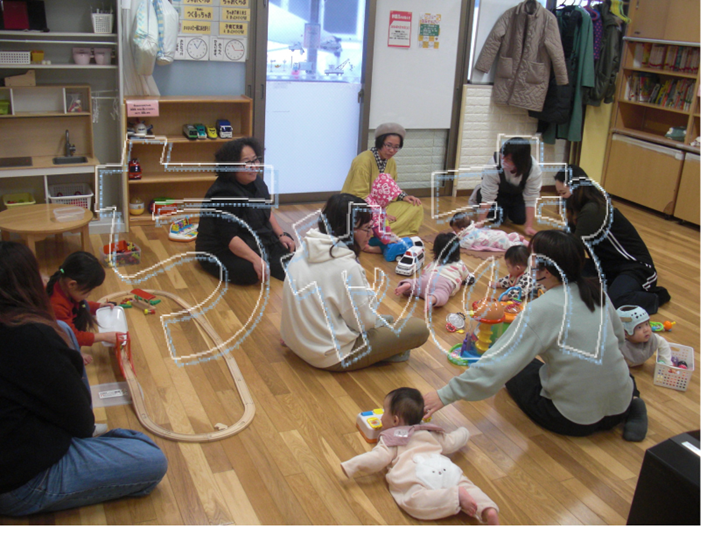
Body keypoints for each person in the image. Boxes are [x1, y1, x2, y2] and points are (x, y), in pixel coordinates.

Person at [423, 230, 648, 442]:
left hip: (572, 420)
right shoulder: (597, 292)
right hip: (621, 405)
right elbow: (618, 340)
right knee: (609, 365)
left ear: (545, 271)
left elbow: (497, 363)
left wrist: (444, 395)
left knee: (517, 371)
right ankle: (635, 402)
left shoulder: (541, 309)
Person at [0, 241, 167, 517]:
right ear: (26, 283)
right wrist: (69, 359)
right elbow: (80, 422)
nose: (44, 278)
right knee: (151, 459)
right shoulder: (32, 337)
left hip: (17, 449)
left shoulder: (19, 326)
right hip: (19, 481)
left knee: (63, 328)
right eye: (36, 273)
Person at [280, 193, 430, 371]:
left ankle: (389, 348)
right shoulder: (347, 267)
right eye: (367, 228)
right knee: (418, 329)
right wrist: (369, 297)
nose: (371, 234)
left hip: (296, 341)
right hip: (329, 356)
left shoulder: (303, 248)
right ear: (347, 230)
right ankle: (391, 352)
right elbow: (363, 324)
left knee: (386, 320)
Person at [341, 387, 499, 524]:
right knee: (466, 484)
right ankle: (487, 509)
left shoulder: (391, 438)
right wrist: (464, 432)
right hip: (445, 468)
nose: (381, 417)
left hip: (418, 477)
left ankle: (455, 496)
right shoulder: (429, 431)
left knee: (413, 501)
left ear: (395, 421)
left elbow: (377, 458)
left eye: (384, 411)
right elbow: (452, 442)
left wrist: (352, 465)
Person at [558, 165, 670, 314]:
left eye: (563, 193)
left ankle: (655, 297)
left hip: (635, 268)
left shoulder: (593, 210)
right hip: (606, 267)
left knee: (615, 302)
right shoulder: (577, 210)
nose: (561, 198)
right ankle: (611, 286)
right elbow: (565, 240)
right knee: (563, 274)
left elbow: (572, 247)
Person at [196, 137, 295, 285]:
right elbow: (229, 237)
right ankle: (261, 258)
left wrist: (281, 234)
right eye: (247, 162)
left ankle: (265, 257)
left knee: (289, 246)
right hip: (221, 248)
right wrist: (255, 259)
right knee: (250, 272)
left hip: (251, 238)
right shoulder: (224, 193)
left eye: (255, 160)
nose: (254, 166)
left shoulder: (257, 182)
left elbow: (266, 212)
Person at [341, 122, 423, 237]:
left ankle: (376, 231)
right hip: (359, 208)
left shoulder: (391, 162)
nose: (392, 150)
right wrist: (379, 215)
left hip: (380, 207)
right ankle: (376, 231)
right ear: (379, 142)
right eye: (388, 145)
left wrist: (403, 196)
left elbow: (390, 190)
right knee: (374, 222)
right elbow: (358, 196)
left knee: (415, 205)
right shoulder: (363, 161)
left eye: (396, 147)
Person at [46, 251, 120, 357]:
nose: (89, 294)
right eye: (88, 291)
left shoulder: (63, 285)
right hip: (56, 344)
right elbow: (72, 336)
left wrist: (97, 306)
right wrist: (103, 337)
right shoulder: (57, 306)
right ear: (72, 284)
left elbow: (80, 304)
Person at [470, 137, 542, 236]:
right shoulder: (494, 164)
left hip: (517, 194)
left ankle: (507, 209)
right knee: (496, 218)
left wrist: (529, 226)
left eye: (508, 159)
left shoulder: (534, 169)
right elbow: (488, 197)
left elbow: (531, 198)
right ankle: (479, 191)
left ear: (520, 161)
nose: (503, 161)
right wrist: (480, 223)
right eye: (502, 156)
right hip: (498, 193)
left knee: (520, 219)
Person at [395, 232, 471, 310]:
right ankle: (433, 298)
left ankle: (409, 285)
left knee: (416, 283)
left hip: (427, 278)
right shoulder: (460, 264)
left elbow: (424, 272)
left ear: (435, 250)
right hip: (444, 283)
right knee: (442, 294)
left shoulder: (432, 263)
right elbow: (466, 276)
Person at [361, 172, 402, 254]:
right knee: (386, 246)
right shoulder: (372, 208)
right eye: (388, 200)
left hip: (373, 234)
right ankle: (368, 248)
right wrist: (386, 240)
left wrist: (388, 232)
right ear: (382, 197)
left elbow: (384, 220)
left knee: (393, 240)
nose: (389, 203)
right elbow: (376, 229)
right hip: (364, 236)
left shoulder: (379, 204)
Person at [450, 212, 528, 252]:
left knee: (509, 246)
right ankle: (515, 236)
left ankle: (519, 244)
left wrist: (456, 243)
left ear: (462, 229)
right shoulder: (472, 226)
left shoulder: (469, 235)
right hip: (498, 234)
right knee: (506, 236)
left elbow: (466, 245)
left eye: (456, 230)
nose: (455, 232)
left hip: (497, 240)